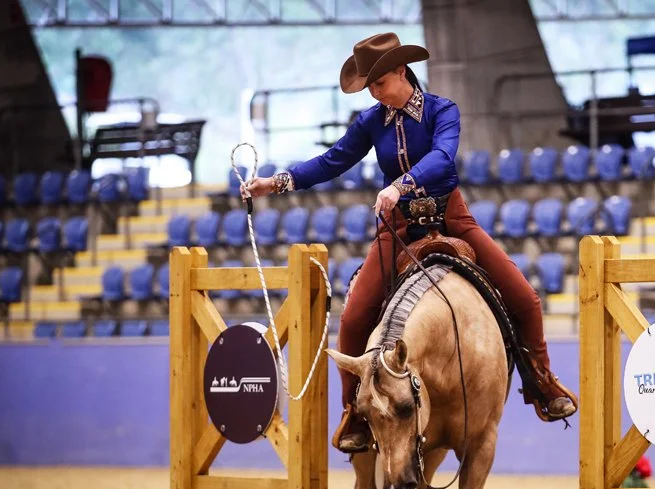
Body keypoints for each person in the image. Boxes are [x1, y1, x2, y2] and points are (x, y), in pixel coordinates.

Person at [242, 32, 577, 454]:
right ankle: (355, 412)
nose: (375, 94)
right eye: (369, 88)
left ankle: (541, 383)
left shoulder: (443, 110)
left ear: (401, 71)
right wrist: (275, 184)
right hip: (397, 228)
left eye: (378, 84)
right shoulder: (371, 121)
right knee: (353, 319)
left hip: (450, 217)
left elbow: (443, 156)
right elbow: (332, 160)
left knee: (525, 297)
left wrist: (401, 185)